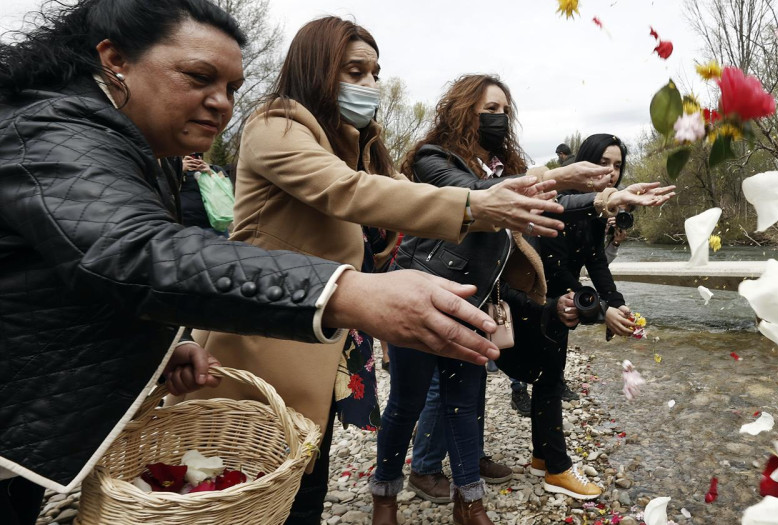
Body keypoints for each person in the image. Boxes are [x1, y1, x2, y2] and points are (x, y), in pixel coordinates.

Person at [0, 2, 508, 523]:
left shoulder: (140, 146)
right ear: (115, 59)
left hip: (306, 343)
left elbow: (60, 275)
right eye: (199, 77)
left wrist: (167, 344)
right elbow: (134, 251)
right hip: (269, 337)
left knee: (297, 472)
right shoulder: (56, 126)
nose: (221, 104)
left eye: (232, 88)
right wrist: (345, 292)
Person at [169, 17, 573, 524]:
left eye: (375, 73)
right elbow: (349, 192)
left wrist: (583, 191)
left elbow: (399, 207)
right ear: (316, 69)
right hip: (264, 341)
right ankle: (390, 492)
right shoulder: (274, 124)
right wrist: (474, 205)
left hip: (327, 343)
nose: (370, 85)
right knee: (246, 492)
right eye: (355, 71)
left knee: (305, 483)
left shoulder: (359, 145)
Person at [374, 75, 673, 524]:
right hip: (421, 293)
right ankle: (385, 496)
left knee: (465, 401)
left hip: (475, 303)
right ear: (461, 109)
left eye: (505, 111)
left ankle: (469, 502)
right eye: (488, 109)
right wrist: (558, 175)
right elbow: (473, 193)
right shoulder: (431, 158)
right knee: (406, 402)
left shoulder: (506, 166)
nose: (499, 118)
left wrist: (608, 197)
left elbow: (550, 202)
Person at [498, 133, 672, 504]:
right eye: (604, 163)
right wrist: (601, 311)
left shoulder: (596, 213)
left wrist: (618, 303)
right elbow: (556, 269)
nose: (611, 172)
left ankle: (542, 458)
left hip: (559, 300)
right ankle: (558, 469)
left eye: (618, 166)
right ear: (585, 163)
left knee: (549, 376)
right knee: (548, 380)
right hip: (534, 298)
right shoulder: (561, 203)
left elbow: (594, 261)